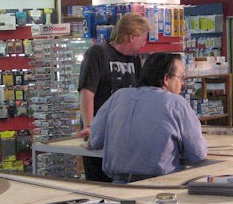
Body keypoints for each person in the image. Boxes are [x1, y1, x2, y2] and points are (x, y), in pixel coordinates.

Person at [88, 52, 207, 182]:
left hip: (119, 184)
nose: (182, 84)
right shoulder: (176, 103)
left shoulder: (118, 97)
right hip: (159, 186)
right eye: (180, 77)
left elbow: (95, 140)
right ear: (167, 79)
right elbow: (197, 154)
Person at [77, 13, 148, 181]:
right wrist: (90, 126)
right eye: (143, 39)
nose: (144, 44)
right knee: (100, 184)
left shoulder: (135, 59)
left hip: (124, 135)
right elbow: (87, 92)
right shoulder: (98, 53)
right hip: (100, 133)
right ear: (132, 37)